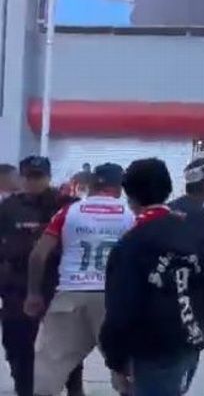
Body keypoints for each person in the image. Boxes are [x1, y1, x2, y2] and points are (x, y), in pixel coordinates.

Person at [100, 158, 204, 396]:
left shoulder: (131, 244)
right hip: (190, 340)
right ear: (168, 189)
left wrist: (115, 362)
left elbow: (121, 309)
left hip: (153, 350)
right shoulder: (191, 230)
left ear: (129, 196)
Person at [24, 164, 135, 396]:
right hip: (113, 299)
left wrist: (33, 293)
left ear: (93, 184)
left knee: (49, 367)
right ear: (120, 187)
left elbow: (38, 255)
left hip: (70, 293)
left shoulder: (69, 211)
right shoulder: (131, 214)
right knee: (127, 367)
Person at [0, 156, 85, 396]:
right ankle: (24, 390)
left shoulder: (67, 205)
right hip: (17, 287)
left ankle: (74, 389)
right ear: (21, 177)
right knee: (18, 346)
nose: (33, 182)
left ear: (48, 177)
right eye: (28, 176)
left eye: (38, 177)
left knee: (66, 346)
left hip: (58, 285)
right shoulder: (8, 208)